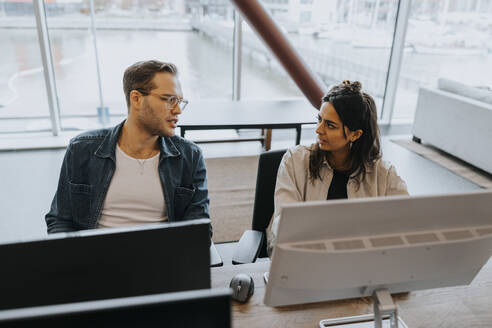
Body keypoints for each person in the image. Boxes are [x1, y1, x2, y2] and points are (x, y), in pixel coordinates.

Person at [45, 60, 211, 236]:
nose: (178, 110)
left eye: (179, 101)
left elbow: (200, 230)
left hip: (162, 258)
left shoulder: (190, 156)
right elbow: (60, 220)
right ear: (136, 99)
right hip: (95, 259)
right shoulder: (81, 150)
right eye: (169, 99)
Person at [267, 80, 408, 251]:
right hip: (304, 255)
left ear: (355, 134)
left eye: (330, 125)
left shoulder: (384, 174)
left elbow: (405, 226)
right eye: (319, 120)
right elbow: (283, 225)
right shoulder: (294, 161)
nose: (318, 129)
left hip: (359, 263)